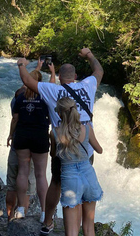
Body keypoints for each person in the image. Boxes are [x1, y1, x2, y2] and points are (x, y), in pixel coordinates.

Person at [16, 47, 103, 235]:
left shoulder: (52, 90)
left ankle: (48, 222)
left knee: (56, 182)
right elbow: (99, 71)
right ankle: (84, 227)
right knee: (86, 188)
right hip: (85, 146)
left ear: (60, 78)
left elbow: (27, 80)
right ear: (76, 76)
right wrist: (89, 55)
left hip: (62, 148)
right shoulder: (87, 85)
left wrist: (22, 64)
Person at [5, 59, 55, 221]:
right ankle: (44, 213)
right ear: (39, 83)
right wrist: (53, 73)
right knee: (41, 175)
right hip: (40, 137)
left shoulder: (19, 98)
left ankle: (20, 210)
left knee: (22, 172)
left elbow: (15, 119)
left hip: (22, 136)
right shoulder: (46, 97)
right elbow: (53, 89)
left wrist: (11, 135)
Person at [52, 97, 103, 236]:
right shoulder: (87, 129)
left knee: (72, 232)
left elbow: (53, 154)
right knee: (89, 228)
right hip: (89, 176)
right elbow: (99, 150)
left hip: (70, 180)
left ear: (60, 114)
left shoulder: (55, 133)